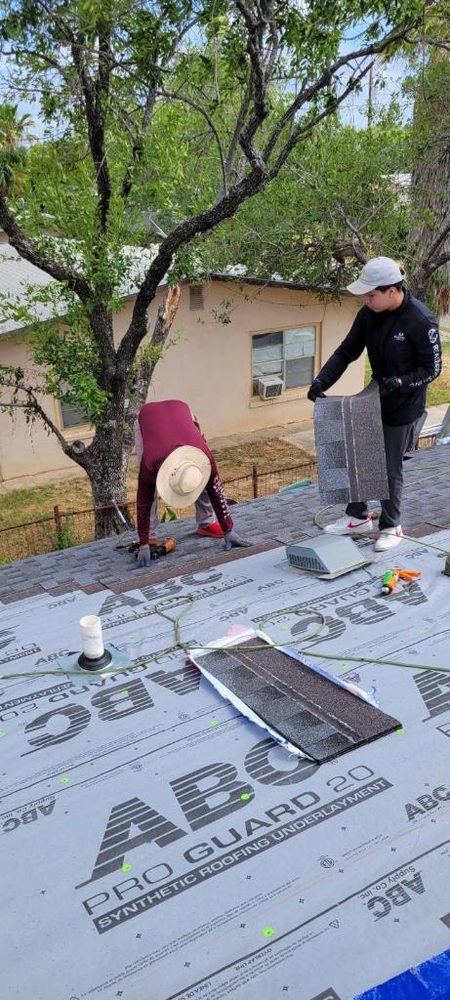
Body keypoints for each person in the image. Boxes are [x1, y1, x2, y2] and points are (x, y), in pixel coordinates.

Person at [307, 257, 442, 551]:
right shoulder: (368, 314)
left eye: (371, 294)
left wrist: (402, 382)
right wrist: (321, 381)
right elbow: (346, 352)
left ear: (392, 290)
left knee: (388, 466)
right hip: (376, 394)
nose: (366, 300)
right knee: (357, 453)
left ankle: (392, 526)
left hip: (404, 404)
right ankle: (357, 517)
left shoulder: (420, 320)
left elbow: (433, 369)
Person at [134, 399, 250, 567]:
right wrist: (144, 543)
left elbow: (216, 491)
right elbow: (143, 502)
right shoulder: (150, 462)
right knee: (148, 490)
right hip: (148, 418)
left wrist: (229, 530)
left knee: (197, 475)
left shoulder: (205, 456)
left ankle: (206, 523)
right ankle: (151, 534)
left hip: (182, 410)